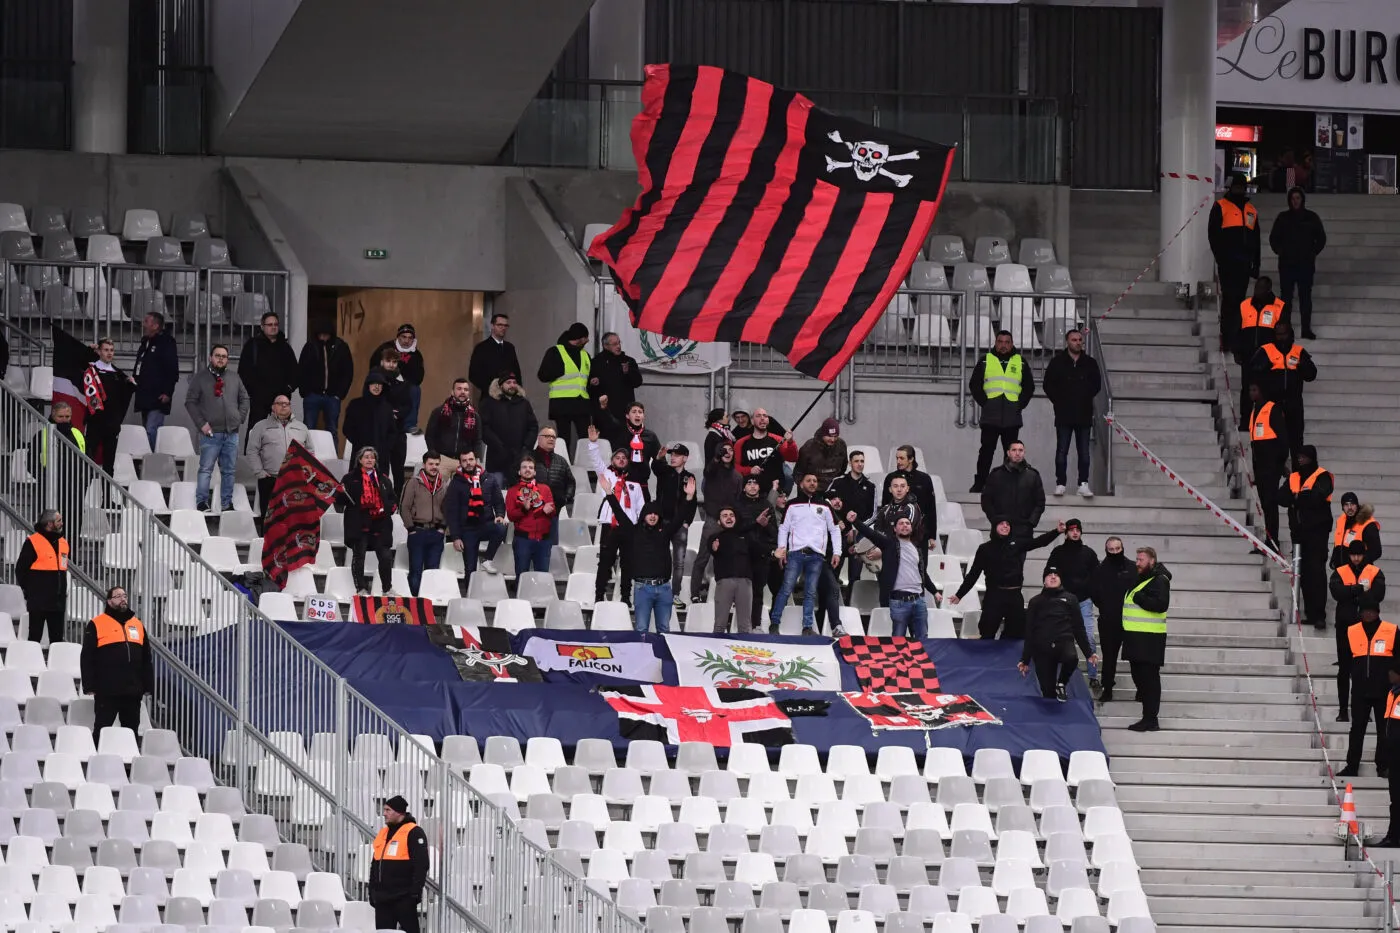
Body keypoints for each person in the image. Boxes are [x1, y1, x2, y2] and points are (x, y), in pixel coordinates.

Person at [601, 473, 696, 633]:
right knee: (641, 629)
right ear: (643, 515)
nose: (653, 516)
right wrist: (610, 494)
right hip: (642, 588)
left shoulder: (665, 532)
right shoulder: (633, 531)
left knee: (664, 629)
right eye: (649, 513)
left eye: (655, 513)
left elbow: (679, 518)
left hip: (665, 589)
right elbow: (619, 512)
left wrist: (689, 497)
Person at [950, 519, 1063, 639]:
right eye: (1002, 523)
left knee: (1016, 632)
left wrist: (1057, 531)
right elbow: (973, 574)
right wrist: (959, 595)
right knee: (987, 630)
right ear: (995, 526)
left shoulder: (1017, 544)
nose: (1005, 526)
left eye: (1008, 524)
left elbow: (1038, 542)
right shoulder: (985, 549)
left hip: (1014, 595)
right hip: (994, 595)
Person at [769, 472, 842, 636]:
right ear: (801, 484)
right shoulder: (792, 504)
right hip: (795, 553)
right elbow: (784, 529)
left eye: (815, 481)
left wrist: (837, 552)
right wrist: (781, 550)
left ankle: (807, 627)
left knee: (810, 592)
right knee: (786, 589)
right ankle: (774, 624)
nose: (812, 483)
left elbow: (835, 529)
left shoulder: (825, 505)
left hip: (816, 555)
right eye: (808, 480)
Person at [185, 345, 250, 512]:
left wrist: (239, 418)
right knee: (206, 469)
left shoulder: (235, 378)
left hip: (231, 433)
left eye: (224, 356)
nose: (221, 358)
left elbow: (245, 399)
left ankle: (226, 504)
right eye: (217, 355)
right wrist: (201, 424)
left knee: (229, 471)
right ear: (210, 357)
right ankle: (202, 503)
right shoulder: (200, 378)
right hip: (210, 432)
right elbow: (190, 402)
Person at [853, 513, 939, 638]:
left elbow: (922, 573)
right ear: (895, 529)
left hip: (919, 600)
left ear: (911, 528)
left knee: (923, 639)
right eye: (901, 523)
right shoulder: (888, 544)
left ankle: (919, 658)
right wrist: (855, 521)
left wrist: (935, 591)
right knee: (898, 640)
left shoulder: (917, 548)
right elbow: (870, 533)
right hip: (899, 601)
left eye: (907, 523)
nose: (905, 525)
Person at [79, 586, 151, 735]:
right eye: (118, 596)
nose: (123, 599)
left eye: (124, 596)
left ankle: (130, 758)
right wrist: (89, 685)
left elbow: (146, 658)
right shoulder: (96, 623)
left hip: (132, 690)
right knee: (102, 729)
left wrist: (148, 685)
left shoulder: (137, 624)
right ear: (109, 601)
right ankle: (97, 756)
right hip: (107, 689)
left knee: (130, 731)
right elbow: (87, 657)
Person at [968, 330, 1034, 493]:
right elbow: (974, 385)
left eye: (1007, 342)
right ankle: (980, 483)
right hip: (991, 416)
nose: (1003, 345)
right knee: (986, 452)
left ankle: (1012, 484)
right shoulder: (985, 361)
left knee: (1012, 454)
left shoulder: (1021, 362)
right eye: (1000, 341)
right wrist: (986, 403)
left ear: (1012, 344)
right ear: (995, 343)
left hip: (1012, 416)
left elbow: (1029, 387)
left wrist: (1019, 405)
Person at [588, 424, 646, 605]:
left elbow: (640, 507)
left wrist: (638, 527)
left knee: (627, 564)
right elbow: (596, 461)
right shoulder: (606, 475)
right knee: (605, 562)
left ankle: (626, 597)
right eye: (617, 457)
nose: (621, 460)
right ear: (612, 461)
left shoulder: (634, 483)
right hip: (610, 525)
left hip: (629, 528)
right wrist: (593, 444)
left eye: (624, 458)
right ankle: (599, 595)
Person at [1277, 445, 1334, 628]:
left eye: (1304, 457)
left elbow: (1317, 497)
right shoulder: (1293, 477)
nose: (1300, 460)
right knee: (1303, 574)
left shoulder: (1323, 475)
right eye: (1298, 457)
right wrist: (1301, 498)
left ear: (1312, 458)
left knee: (1316, 572)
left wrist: (1297, 499)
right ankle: (1310, 613)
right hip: (1298, 534)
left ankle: (1319, 615)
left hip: (1317, 532)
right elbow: (1281, 498)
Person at [1021, 567, 1097, 702]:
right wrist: (1025, 659)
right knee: (1047, 691)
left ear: (1061, 579)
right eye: (1049, 575)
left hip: (1063, 641)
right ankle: (1051, 720)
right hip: (1042, 648)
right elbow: (1029, 631)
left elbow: (1078, 627)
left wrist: (1088, 653)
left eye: (1056, 574)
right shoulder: (1035, 601)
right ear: (1044, 580)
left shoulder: (1071, 599)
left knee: (1071, 658)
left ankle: (1061, 683)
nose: (1053, 576)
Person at [1042, 328, 1102, 497]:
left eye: (1079, 340)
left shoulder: (1090, 363)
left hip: (1083, 412)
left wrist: (1084, 395)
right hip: (1063, 414)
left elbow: (1096, 385)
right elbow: (1048, 385)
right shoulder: (1057, 362)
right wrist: (1060, 400)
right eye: (1074, 340)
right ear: (1067, 342)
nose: (1077, 342)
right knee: (1062, 450)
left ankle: (1083, 483)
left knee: (1084, 451)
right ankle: (1060, 483)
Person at [1331, 541, 1386, 724]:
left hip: (1366, 629)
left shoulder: (1374, 571)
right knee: (1344, 670)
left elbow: (1378, 594)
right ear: (1348, 555)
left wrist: (1351, 593)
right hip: (1345, 628)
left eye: (1359, 555)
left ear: (1364, 555)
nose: (1356, 558)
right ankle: (1343, 710)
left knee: (1363, 671)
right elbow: (1337, 592)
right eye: (1353, 555)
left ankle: (1364, 710)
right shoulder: (1340, 571)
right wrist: (1359, 590)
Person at [1338, 604, 1395, 778]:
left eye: (1372, 611)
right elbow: (1345, 660)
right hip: (1360, 691)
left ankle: (1383, 766)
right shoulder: (1352, 631)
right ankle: (1352, 766)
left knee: (1383, 730)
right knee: (1356, 729)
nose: (1368, 614)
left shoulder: (1391, 630)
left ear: (1378, 612)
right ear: (1360, 612)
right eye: (1365, 611)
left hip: (1384, 690)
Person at [1209, 173, 1261, 351]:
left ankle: (1236, 337)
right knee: (1229, 300)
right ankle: (1226, 337)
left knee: (1240, 301)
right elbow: (1213, 235)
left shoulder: (1251, 209)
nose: (1240, 189)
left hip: (1244, 264)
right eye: (1237, 186)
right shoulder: (1220, 206)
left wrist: (1256, 264)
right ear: (1231, 187)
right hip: (1228, 263)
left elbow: (1256, 239)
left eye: (1242, 186)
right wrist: (1221, 258)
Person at [1249, 322, 1316, 459]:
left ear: (1290, 334)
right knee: (1273, 441)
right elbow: (1252, 372)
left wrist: (1303, 366)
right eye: (1278, 334)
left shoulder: (1299, 351)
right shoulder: (1266, 351)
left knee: (1296, 441)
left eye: (1284, 334)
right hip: (1273, 404)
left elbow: (1311, 375)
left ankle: (1297, 475)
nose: (1281, 338)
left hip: (1294, 403)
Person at [1123, 545, 1172, 732]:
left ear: (1152, 560)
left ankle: (1150, 718)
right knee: (1139, 678)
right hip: (1136, 638)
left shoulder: (1159, 580)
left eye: (1140, 560)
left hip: (1150, 639)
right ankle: (1148, 716)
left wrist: (1140, 599)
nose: (1137, 563)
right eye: (1136, 559)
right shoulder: (1142, 579)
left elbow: (1161, 605)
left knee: (1149, 679)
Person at [1048, 518, 1101, 684]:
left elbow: (1097, 576)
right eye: (1071, 530)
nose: (1075, 532)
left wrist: (1092, 593)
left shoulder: (1089, 553)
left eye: (1077, 529)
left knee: (1089, 638)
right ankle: (1055, 675)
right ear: (1066, 533)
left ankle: (1093, 676)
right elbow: (1049, 573)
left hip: (1084, 601)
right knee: (1058, 638)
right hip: (1062, 602)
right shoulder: (1058, 552)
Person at [339, 447, 399, 596]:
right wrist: (339, 491)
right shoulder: (349, 478)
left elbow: (392, 498)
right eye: (366, 457)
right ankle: (361, 589)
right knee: (359, 556)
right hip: (359, 524)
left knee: (385, 557)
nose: (369, 460)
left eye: (372, 457)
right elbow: (340, 501)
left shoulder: (384, 479)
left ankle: (387, 589)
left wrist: (390, 508)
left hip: (380, 525)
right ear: (359, 460)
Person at [1269, 185, 1326, 338]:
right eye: (1293, 198)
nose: (1295, 201)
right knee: (1286, 297)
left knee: (1305, 296)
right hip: (1287, 264)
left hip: (1305, 264)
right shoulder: (1283, 217)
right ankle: (1286, 329)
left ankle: (1306, 329)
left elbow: (1321, 238)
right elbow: (1273, 238)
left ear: (1302, 200)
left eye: (1298, 198)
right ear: (1289, 200)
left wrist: (1312, 253)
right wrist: (1280, 251)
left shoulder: (1311, 217)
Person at [691, 441, 743, 604]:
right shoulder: (712, 471)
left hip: (729, 522)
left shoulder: (738, 476)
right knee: (702, 558)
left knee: (730, 559)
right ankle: (694, 593)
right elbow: (708, 471)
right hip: (713, 519)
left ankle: (731, 596)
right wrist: (716, 457)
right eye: (724, 451)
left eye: (730, 450)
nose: (727, 453)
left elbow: (738, 500)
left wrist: (732, 519)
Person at [444, 450, 508, 582]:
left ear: (476, 460)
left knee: (501, 528)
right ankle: (469, 597)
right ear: (460, 463)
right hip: (467, 530)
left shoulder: (489, 478)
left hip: (486, 524)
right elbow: (452, 512)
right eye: (465, 461)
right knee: (470, 569)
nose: (468, 463)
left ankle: (487, 559)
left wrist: (500, 515)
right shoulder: (456, 483)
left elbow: (498, 501)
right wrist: (455, 537)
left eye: (471, 459)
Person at [368, 795, 429, 933]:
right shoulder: (383, 833)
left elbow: (421, 865)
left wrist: (414, 893)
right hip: (383, 898)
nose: (384, 813)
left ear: (399, 812)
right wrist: (372, 890)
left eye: (388, 810)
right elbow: (375, 864)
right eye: (384, 810)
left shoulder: (413, 832)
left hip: (403, 898)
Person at [248, 395, 310, 526]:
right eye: (280, 403)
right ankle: (267, 544)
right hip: (270, 478)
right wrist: (259, 472)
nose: (284, 406)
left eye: (287, 404)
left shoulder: (302, 427)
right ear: (273, 407)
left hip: (294, 479)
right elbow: (252, 451)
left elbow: (310, 452)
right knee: (269, 519)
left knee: (293, 518)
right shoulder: (261, 426)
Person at [1232, 276, 1284, 431]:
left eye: (1261, 289)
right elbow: (1237, 330)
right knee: (1247, 389)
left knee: (1267, 389)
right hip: (1248, 354)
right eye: (1256, 288)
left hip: (1267, 356)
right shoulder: (1245, 305)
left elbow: (1282, 333)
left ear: (1269, 290)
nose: (1258, 291)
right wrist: (1237, 350)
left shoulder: (1279, 307)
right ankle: (1245, 420)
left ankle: (1264, 420)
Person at [344, 373, 407, 497]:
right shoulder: (355, 404)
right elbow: (347, 428)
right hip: (360, 453)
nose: (377, 387)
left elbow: (392, 431)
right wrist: (359, 444)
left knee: (379, 492)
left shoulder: (387, 408)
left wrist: (385, 447)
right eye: (374, 384)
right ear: (368, 386)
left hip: (380, 456)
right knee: (357, 489)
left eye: (380, 385)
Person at [237, 311, 299, 437]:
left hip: (281, 400)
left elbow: (295, 372)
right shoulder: (252, 345)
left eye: (276, 324)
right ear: (262, 326)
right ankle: (251, 457)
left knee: (282, 435)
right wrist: (254, 391)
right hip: (259, 399)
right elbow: (243, 372)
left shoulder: (285, 347)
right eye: (270, 324)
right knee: (255, 432)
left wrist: (288, 389)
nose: (273, 327)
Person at [1091, 536, 1136, 703]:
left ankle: (1141, 689)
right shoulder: (1099, 570)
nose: (1115, 552)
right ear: (1106, 550)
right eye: (1111, 550)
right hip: (1108, 620)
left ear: (1122, 548)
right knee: (1109, 657)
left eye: (1118, 549)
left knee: (1135, 657)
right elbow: (1093, 591)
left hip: (1131, 620)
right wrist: (1106, 606)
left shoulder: (1132, 567)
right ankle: (1107, 688)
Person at [82, 337, 135, 476]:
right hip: (95, 422)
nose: (109, 353)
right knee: (87, 459)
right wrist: (88, 350)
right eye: (106, 350)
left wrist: (131, 384)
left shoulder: (118, 373)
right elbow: (76, 360)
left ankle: (106, 498)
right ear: (99, 351)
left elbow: (128, 391)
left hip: (112, 424)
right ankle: (82, 495)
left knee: (109, 464)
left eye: (111, 350)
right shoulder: (91, 369)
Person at [537, 322, 592, 454]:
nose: (588, 341)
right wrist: (558, 370)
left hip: (581, 402)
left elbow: (587, 377)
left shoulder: (585, 354)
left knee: (586, 438)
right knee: (563, 438)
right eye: (586, 338)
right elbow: (542, 375)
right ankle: (561, 466)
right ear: (579, 338)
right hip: (562, 402)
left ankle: (588, 467)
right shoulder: (555, 351)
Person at [297, 323, 355, 446]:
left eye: (326, 334)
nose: (323, 337)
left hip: (333, 396)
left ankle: (332, 459)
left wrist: (340, 394)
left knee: (332, 430)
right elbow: (301, 369)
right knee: (308, 429)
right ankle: (305, 458)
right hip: (312, 395)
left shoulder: (340, 347)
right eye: (320, 334)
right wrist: (305, 391)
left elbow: (348, 371)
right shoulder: (310, 347)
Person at [478, 373, 539, 490]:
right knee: (495, 493)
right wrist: (498, 445)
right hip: (497, 459)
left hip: (519, 459)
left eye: (514, 382)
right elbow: (484, 428)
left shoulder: (524, 403)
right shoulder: (489, 403)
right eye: (508, 382)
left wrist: (526, 447)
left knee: (519, 496)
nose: (512, 385)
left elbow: (533, 426)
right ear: (501, 385)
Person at [829, 451, 877, 599]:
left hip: (859, 536)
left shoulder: (870, 486)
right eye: (856, 461)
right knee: (833, 573)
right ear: (850, 462)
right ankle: (832, 607)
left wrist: (856, 529)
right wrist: (838, 522)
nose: (860, 464)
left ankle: (851, 608)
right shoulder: (838, 482)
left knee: (855, 577)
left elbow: (874, 514)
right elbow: (826, 505)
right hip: (839, 534)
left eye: (862, 461)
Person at [652, 443, 696, 603]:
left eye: (677, 455)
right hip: (663, 522)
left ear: (685, 458)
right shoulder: (664, 471)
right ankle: (659, 591)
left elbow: (693, 501)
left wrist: (687, 522)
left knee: (679, 562)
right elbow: (656, 468)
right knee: (659, 557)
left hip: (680, 525)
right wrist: (659, 457)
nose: (673, 457)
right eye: (672, 455)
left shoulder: (689, 477)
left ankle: (674, 594)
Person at [15, 510, 68, 643]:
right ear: (49, 524)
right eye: (59, 520)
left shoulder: (63, 542)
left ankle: (56, 663)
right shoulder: (33, 542)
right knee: (34, 637)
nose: (62, 523)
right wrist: (31, 591)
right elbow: (20, 570)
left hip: (58, 602)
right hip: (38, 601)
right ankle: (30, 664)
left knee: (57, 640)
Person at [400, 452, 449, 597]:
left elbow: (448, 508)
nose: (434, 467)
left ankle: (428, 607)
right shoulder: (413, 482)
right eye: (431, 464)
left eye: (437, 464)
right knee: (415, 572)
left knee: (431, 573)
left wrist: (442, 528)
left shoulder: (444, 483)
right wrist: (411, 528)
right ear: (424, 465)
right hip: (418, 532)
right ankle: (414, 605)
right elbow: (404, 506)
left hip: (436, 534)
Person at [1246, 381, 1286, 554]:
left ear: (1262, 391)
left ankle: (1273, 541)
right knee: (1265, 505)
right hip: (1261, 468)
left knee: (1270, 504)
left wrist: (1279, 464)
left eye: (1254, 389)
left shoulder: (1272, 409)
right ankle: (1269, 539)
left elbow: (1283, 440)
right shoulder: (1254, 411)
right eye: (1250, 390)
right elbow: (1255, 446)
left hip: (1271, 467)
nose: (1251, 393)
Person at [737, 475, 780, 633]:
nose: (753, 486)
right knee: (741, 593)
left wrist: (766, 524)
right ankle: (742, 626)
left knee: (758, 592)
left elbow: (774, 532)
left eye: (755, 483)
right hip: (742, 554)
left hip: (761, 556)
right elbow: (734, 529)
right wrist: (755, 522)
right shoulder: (737, 504)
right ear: (744, 487)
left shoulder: (766, 504)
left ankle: (756, 625)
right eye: (749, 483)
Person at [131, 311, 179, 449]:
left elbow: (172, 369)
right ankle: (146, 460)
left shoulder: (166, 342)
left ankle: (151, 461)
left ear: (156, 325)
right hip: (144, 396)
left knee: (151, 431)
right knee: (145, 431)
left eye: (146, 321)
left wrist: (168, 392)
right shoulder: (145, 342)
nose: (143, 324)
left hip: (158, 397)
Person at [980, 440, 1046, 541]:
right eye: (1014, 450)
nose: (1017, 453)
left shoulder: (1033, 476)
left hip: (1023, 531)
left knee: (1020, 557)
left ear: (1024, 453)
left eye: (1020, 450)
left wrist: (1031, 523)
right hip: (1000, 530)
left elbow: (1040, 502)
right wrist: (995, 520)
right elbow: (986, 500)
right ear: (1008, 452)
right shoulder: (996, 474)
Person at [506, 454, 556, 573]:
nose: (527, 469)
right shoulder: (512, 491)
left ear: (534, 472)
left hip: (543, 541)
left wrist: (547, 510)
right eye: (524, 467)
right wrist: (524, 509)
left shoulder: (545, 489)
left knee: (542, 577)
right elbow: (511, 516)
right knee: (522, 577)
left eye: (530, 467)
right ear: (519, 471)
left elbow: (552, 511)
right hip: (523, 540)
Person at [882, 445, 938, 550]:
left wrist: (932, 536)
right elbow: (885, 506)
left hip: (920, 532)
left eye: (902, 458)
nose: (898, 461)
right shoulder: (891, 478)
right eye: (897, 458)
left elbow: (931, 508)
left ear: (911, 459)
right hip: (896, 533)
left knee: (920, 565)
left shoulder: (924, 479)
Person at [373, 324, 425, 434]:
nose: (406, 340)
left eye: (410, 338)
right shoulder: (385, 348)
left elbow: (418, 376)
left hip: (404, 386)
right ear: (398, 337)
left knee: (415, 390)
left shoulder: (416, 355)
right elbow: (374, 366)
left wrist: (403, 383)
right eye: (404, 337)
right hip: (385, 382)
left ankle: (409, 425)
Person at [709, 505, 753, 633]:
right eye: (725, 515)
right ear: (719, 521)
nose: (729, 518)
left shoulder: (746, 537)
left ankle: (745, 652)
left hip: (745, 582)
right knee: (719, 624)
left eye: (731, 515)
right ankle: (718, 651)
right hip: (725, 582)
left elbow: (759, 550)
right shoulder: (715, 537)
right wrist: (714, 548)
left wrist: (773, 553)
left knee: (745, 626)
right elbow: (711, 549)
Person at [596, 401, 661, 487]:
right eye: (634, 412)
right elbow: (610, 420)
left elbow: (658, 460)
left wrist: (660, 458)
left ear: (643, 416)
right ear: (627, 416)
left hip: (642, 483)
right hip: (622, 482)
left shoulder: (651, 436)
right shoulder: (619, 431)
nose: (637, 414)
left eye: (640, 412)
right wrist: (604, 408)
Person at [733, 408, 797, 495]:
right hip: (752, 492)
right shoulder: (740, 443)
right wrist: (749, 470)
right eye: (758, 416)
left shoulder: (778, 440)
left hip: (775, 491)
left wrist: (790, 442)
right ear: (752, 421)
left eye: (765, 416)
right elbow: (735, 467)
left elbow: (793, 458)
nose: (762, 418)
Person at [531, 426, 574, 545]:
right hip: (532, 513)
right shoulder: (529, 458)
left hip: (553, 512)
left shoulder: (561, 461)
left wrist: (565, 498)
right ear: (539, 439)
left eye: (553, 437)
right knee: (533, 548)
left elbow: (571, 482)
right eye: (547, 436)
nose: (551, 439)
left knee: (552, 548)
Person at [589, 331, 644, 419]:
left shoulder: (628, 361)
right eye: (614, 344)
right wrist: (592, 382)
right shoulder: (596, 362)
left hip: (624, 409)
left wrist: (627, 373)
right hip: (603, 411)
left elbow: (638, 382)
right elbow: (589, 386)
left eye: (619, 343)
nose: (618, 346)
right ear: (605, 346)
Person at [1374, 661, 1400, 848]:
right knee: (1395, 799)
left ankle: (1394, 837)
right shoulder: (1393, 693)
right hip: (1394, 755)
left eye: (1392, 672)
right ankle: (1393, 835)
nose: (1389, 675)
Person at [425, 378, 480, 461]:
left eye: (466, 389)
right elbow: (429, 436)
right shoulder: (439, 412)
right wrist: (434, 455)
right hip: (442, 459)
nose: (462, 392)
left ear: (468, 393)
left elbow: (477, 440)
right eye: (459, 389)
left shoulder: (475, 416)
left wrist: (474, 457)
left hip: (465, 461)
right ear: (452, 392)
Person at [469, 312, 521, 396]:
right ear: (492, 326)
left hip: (510, 397)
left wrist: (517, 392)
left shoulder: (510, 348)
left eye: (505, 326)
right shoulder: (481, 348)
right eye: (500, 325)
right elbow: (473, 374)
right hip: (489, 397)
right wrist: (491, 389)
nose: (503, 328)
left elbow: (517, 372)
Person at [795, 418, 848, 492]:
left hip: (832, 490)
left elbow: (843, 468)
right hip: (811, 491)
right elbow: (798, 472)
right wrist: (803, 487)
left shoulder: (841, 445)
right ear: (823, 434)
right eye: (829, 436)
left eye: (835, 436)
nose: (832, 439)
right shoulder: (808, 447)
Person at [1332, 492, 1382, 569]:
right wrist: (1334, 559)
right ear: (1342, 507)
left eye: (1352, 504)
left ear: (1357, 505)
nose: (1349, 507)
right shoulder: (1341, 520)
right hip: (1341, 571)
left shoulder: (1367, 524)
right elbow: (1338, 543)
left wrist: (1358, 565)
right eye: (1346, 505)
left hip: (1360, 571)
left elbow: (1376, 551)